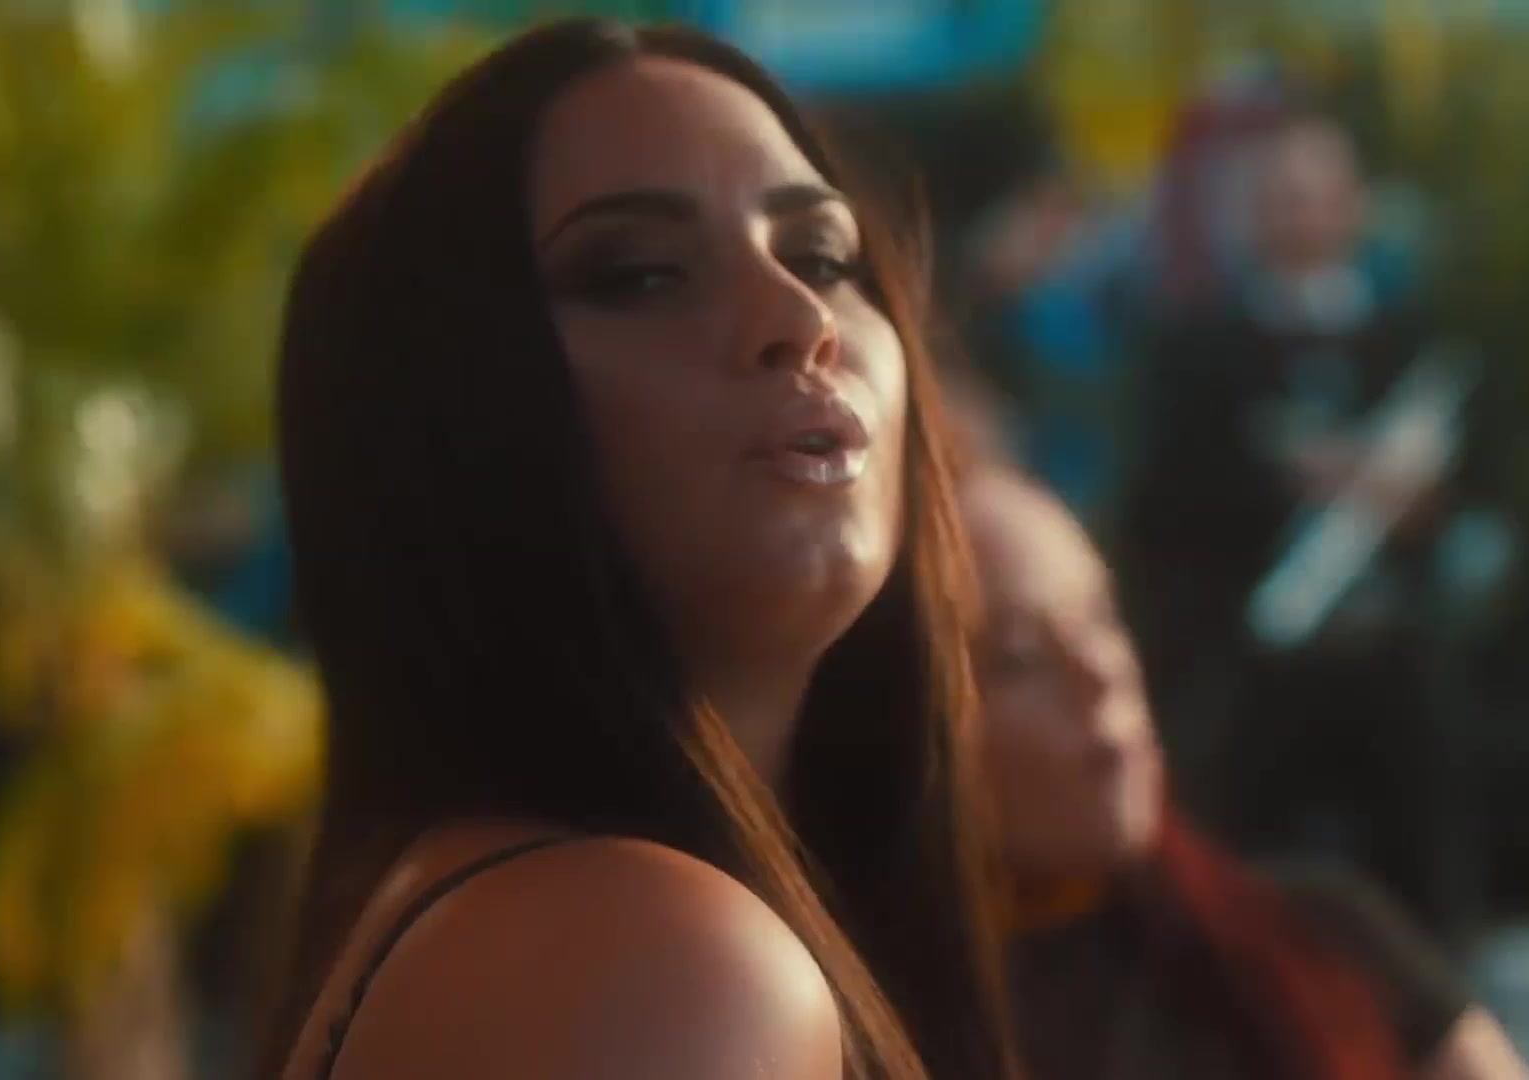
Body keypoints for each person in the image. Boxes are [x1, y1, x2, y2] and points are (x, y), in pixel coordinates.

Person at [263, 19, 1006, 1080]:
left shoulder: (545, 925)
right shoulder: (649, 960)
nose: (798, 318)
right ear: (447, 417)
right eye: (642, 275)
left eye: (822, 256)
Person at [956, 460, 1529, 1080]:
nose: (1099, 671)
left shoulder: (1323, 941)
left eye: (1101, 617)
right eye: (1018, 656)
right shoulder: (912, 1030)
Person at [1114, 110, 1497, 941]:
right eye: (1282, 197)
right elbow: (1160, 506)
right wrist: (1284, 480)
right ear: (1252, 213)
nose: (1302, 215)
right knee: (1257, 893)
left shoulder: (1413, 341)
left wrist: (1411, 503)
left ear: (1354, 204)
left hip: (1395, 659)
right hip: (1259, 668)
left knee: (1421, 886)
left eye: (1319, 195)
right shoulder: (1198, 348)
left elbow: (1479, 488)